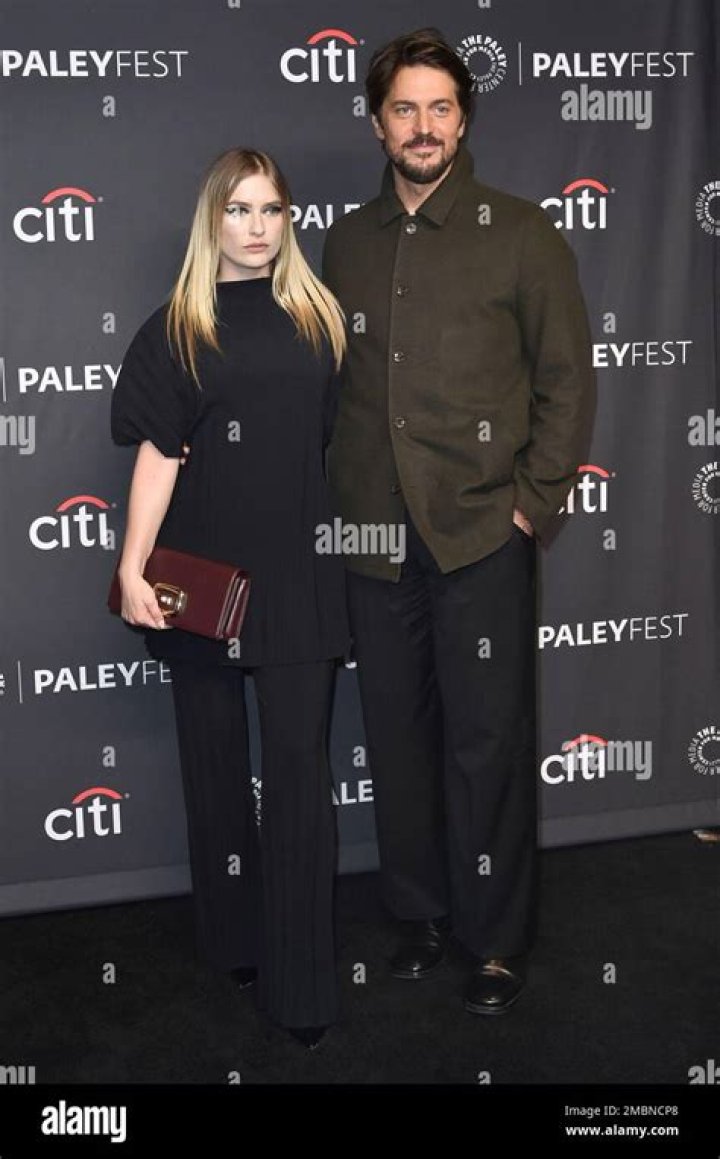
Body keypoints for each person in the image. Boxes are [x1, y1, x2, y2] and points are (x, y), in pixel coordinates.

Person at [321, 29, 596, 1014]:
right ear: (377, 122)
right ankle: (422, 913)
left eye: (440, 107)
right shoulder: (345, 242)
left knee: (486, 742)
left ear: (464, 118)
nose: (424, 126)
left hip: (482, 531)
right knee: (396, 738)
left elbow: (567, 381)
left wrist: (532, 501)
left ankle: (495, 938)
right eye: (405, 108)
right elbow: (334, 389)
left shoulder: (522, 233)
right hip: (372, 534)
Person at [110, 147, 349, 1049]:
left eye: (271, 210)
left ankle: (303, 986)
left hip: (298, 580)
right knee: (215, 774)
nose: (256, 226)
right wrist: (133, 567)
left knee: (298, 783)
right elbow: (158, 456)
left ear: (289, 220)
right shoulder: (177, 328)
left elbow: (332, 448)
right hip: (200, 581)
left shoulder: (320, 319)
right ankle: (232, 940)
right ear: (212, 219)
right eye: (239, 209)